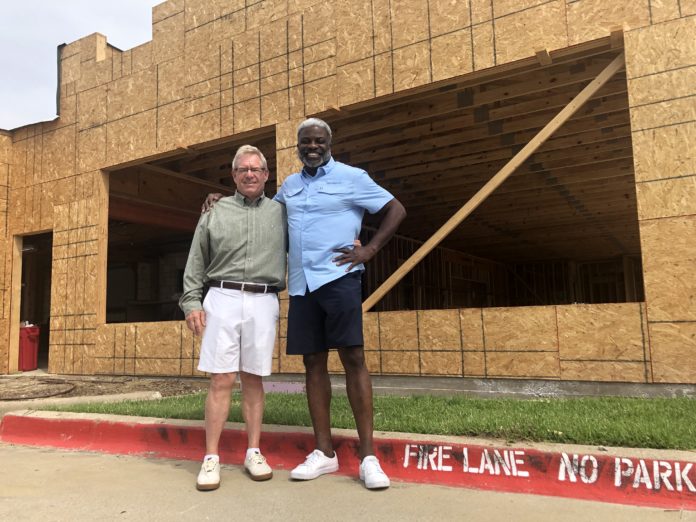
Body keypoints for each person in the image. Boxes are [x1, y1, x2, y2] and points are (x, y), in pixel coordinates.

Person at [204, 118, 406, 489]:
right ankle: (325, 453)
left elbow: (396, 209)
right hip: (301, 286)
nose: (312, 147)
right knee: (313, 364)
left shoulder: (352, 177)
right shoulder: (290, 186)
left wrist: (372, 249)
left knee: (353, 359)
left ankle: (369, 457)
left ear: (329, 143)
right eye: (305, 143)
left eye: (319, 141)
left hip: (339, 279)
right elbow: (261, 208)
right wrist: (223, 198)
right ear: (297, 147)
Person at [180, 144, 287, 491]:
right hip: (221, 297)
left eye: (256, 169)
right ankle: (211, 457)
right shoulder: (215, 210)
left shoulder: (281, 212)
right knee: (221, 379)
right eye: (243, 169)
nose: (250, 174)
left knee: (254, 378)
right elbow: (197, 258)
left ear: (267, 175)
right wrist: (191, 302)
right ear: (234, 175)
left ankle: (253, 451)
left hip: (263, 299)